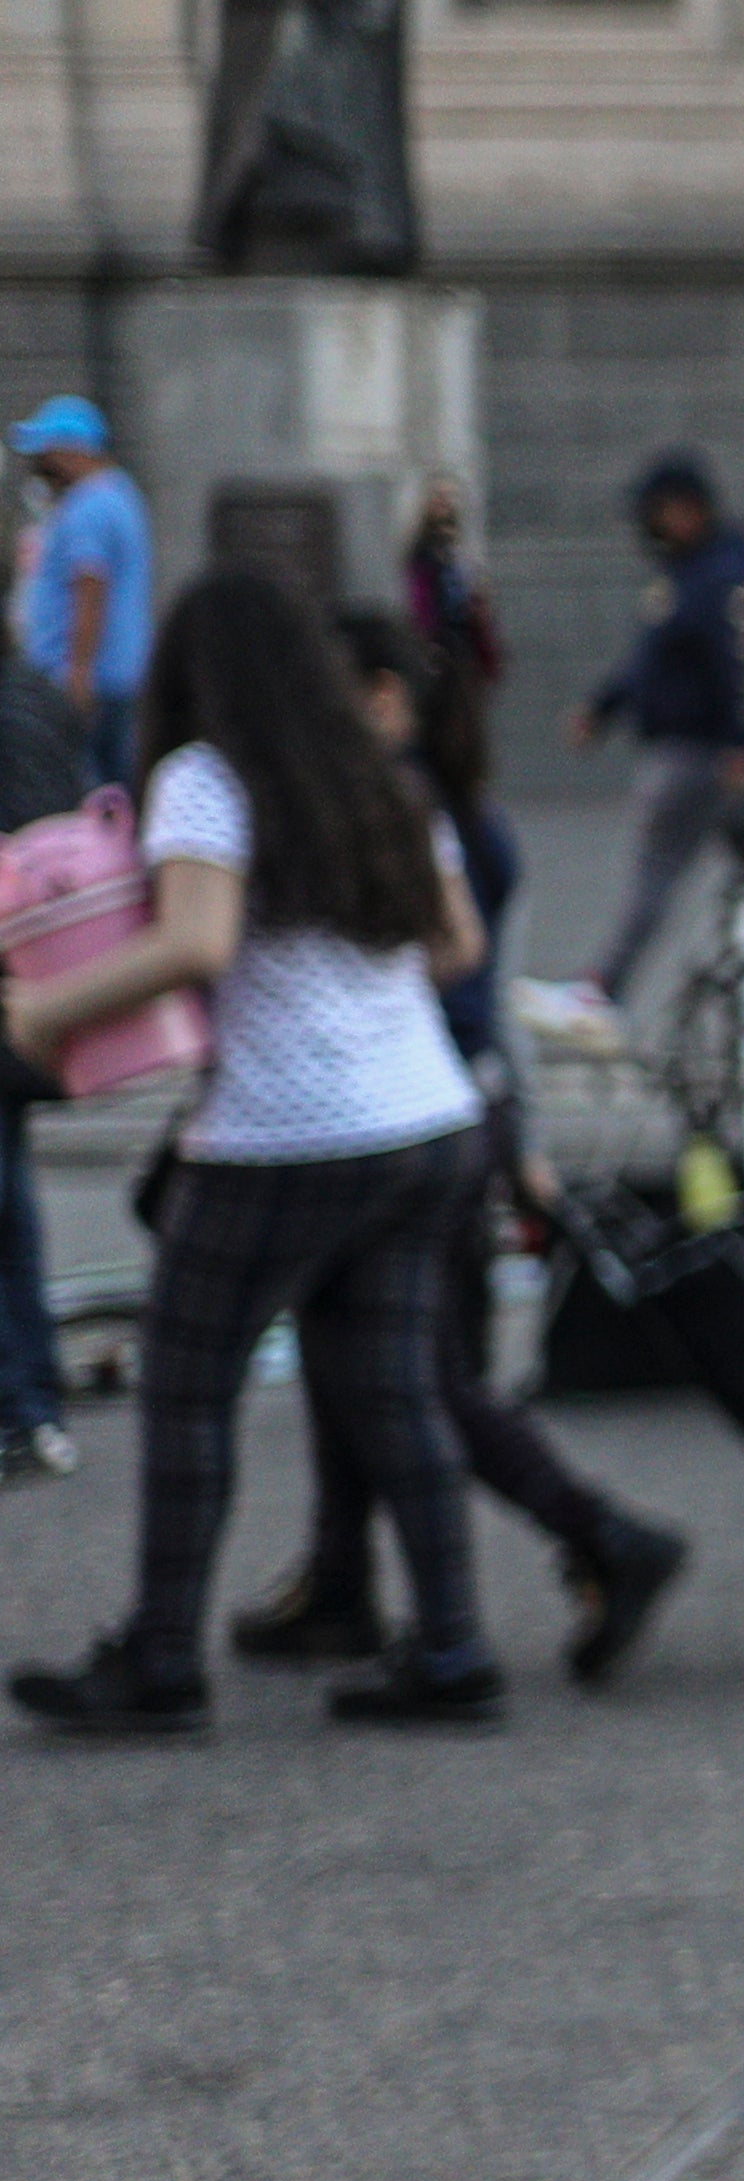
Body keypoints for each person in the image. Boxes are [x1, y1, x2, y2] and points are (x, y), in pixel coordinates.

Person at [5, 572, 497, 1733]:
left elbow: (198, 941)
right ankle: (454, 1649)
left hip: (285, 1132)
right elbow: (458, 945)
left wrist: (48, 1011)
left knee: (184, 1382)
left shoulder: (208, 780)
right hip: (425, 1118)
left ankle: (160, 1664)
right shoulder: (375, 773)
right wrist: (352, 999)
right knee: (397, 1394)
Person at [232, 613, 686, 1685]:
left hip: (404, 1120)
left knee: (416, 1377)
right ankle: (341, 1581)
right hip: (443, 1113)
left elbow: (444, 988)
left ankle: (606, 1538)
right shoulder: (452, 810)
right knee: (359, 1354)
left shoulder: (400, 811)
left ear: (385, 697)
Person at [568, 449, 744, 1014]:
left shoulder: (726, 572)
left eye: (658, 512)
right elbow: (651, 660)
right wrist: (604, 707)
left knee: (659, 874)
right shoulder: (689, 574)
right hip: (704, 752)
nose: (651, 527)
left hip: (706, 755)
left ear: (687, 509)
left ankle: (604, 990)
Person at [0, 620, 84, 1488]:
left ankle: (24, 1403)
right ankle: (31, 1399)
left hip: (12, 973)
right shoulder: (34, 690)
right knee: (11, 1196)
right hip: (38, 972)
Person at [15, 398, 151, 794]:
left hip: (85, 682)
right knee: (115, 786)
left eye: (46, 453)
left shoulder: (88, 507)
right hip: (114, 678)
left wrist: (78, 675)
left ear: (73, 450)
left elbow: (90, 586)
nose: (40, 464)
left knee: (88, 791)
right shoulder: (121, 494)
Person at [401, 473, 503, 697]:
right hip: (437, 642)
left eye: (449, 498)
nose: (445, 503)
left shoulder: (458, 552)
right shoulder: (422, 552)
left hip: (462, 642)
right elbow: (420, 600)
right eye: (439, 497)